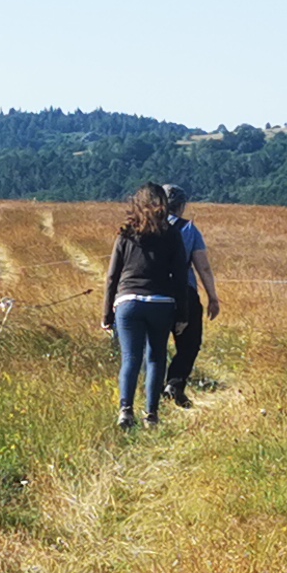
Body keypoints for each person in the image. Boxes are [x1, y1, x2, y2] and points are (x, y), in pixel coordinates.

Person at [100, 182, 192, 428]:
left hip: (128, 302)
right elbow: (181, 276)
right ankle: (151, 414)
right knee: (156, 358)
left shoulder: (126, 232)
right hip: (161, 303)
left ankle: (125, 409)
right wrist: (182, 314)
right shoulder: (171, 233)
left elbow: (112, 276)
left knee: (130, 358)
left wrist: (107, 313)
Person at [163, 186, 219, 404]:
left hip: (154, 290)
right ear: (181, 205)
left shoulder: (148, 226)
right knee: (189, 343)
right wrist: (213, 298)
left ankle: (154, 389)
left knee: (155, 344)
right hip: (184, 290)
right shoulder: (189, 230)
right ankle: (175, 384)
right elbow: (203, 267)